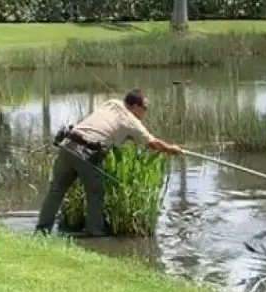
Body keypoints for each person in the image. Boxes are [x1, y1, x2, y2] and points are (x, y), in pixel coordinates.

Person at [35, 89, 182, 237]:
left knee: (56, 190)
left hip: (68, 143)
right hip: (87, 152)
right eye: (145, 108)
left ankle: (42, 230)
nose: (145, 112)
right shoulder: (131, 120)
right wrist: (172, 149)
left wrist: (127, 136)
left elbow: (109, 125)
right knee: (96, 192)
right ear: (136, 106)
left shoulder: (112, 103)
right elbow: (153, 143)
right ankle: (95, 232)